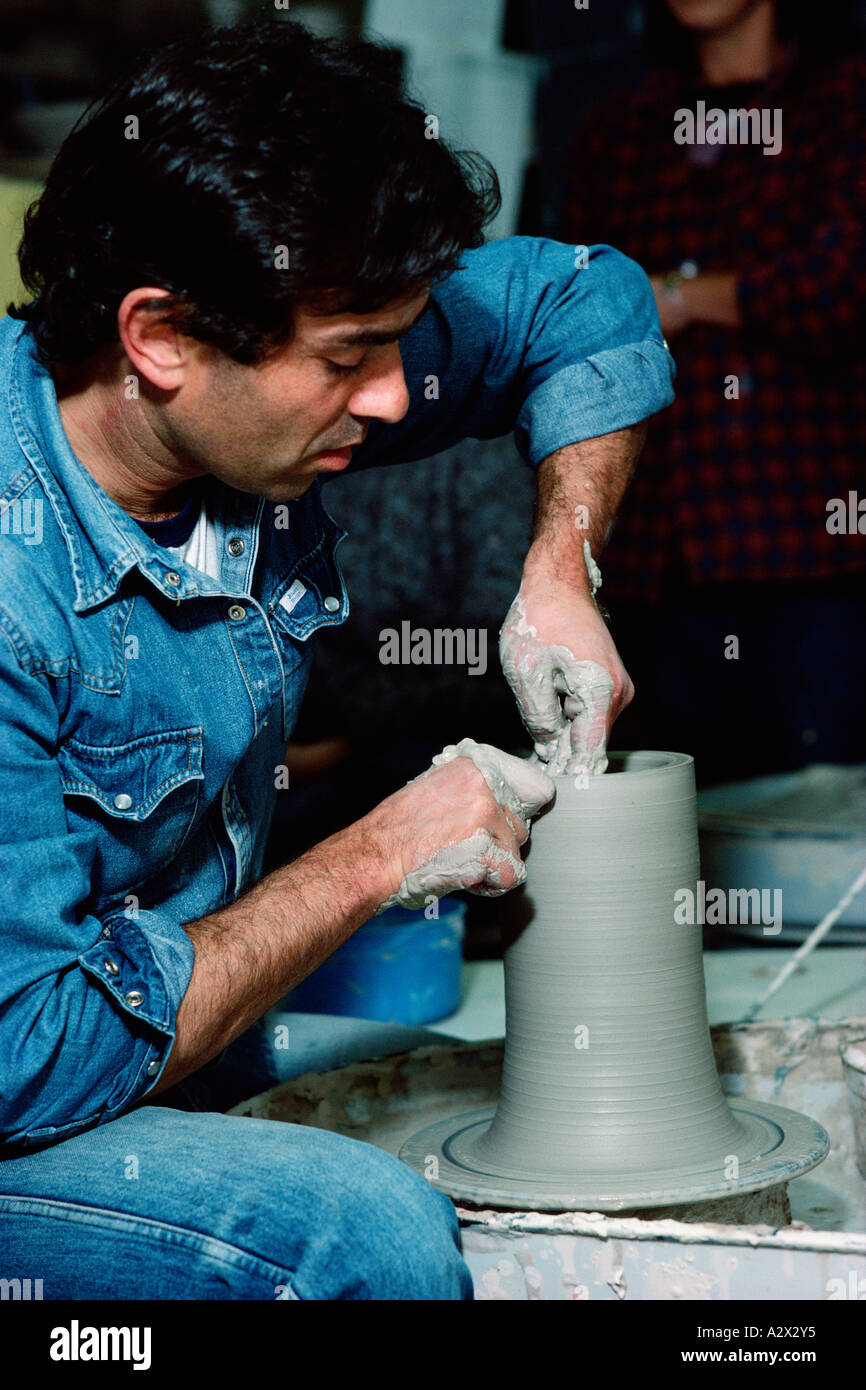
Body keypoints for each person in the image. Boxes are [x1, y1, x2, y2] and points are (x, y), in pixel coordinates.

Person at [0, 18, 673, 1299]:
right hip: (29, 1072)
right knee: (365, 1225)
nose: (388, 396)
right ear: (162, 339)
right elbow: (32, 1056)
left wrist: (558, 565)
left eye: (394, 345)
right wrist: (378, 852)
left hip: (148, 1017)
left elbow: (586, 298)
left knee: (444, 1063)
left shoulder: (264, 371)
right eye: (347, 359)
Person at [563, 0, 866, 785]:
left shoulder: (841, 106)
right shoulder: (622, 128)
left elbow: (839, 290)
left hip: (807, 543)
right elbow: (579, 306)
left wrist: (678, 296)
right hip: (653, 550)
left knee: (817, 813)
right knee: (672, 818)